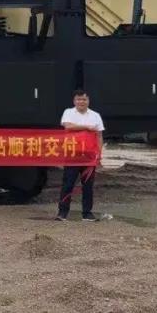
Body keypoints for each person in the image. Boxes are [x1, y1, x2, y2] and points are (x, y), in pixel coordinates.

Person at [57, 89, 104, 221]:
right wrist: (87, 127)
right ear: (74, 101)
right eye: (78, 99)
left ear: (88, 101)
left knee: (88, 186)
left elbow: (99, 136)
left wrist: (99, 154)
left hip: (89, 156)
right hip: (73, 155)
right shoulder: (68, 112)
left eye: (84, 99)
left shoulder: (95, 115)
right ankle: (62, 212)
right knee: (68, 184)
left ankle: (87, 213)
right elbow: (68, 126)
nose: (81, 102)